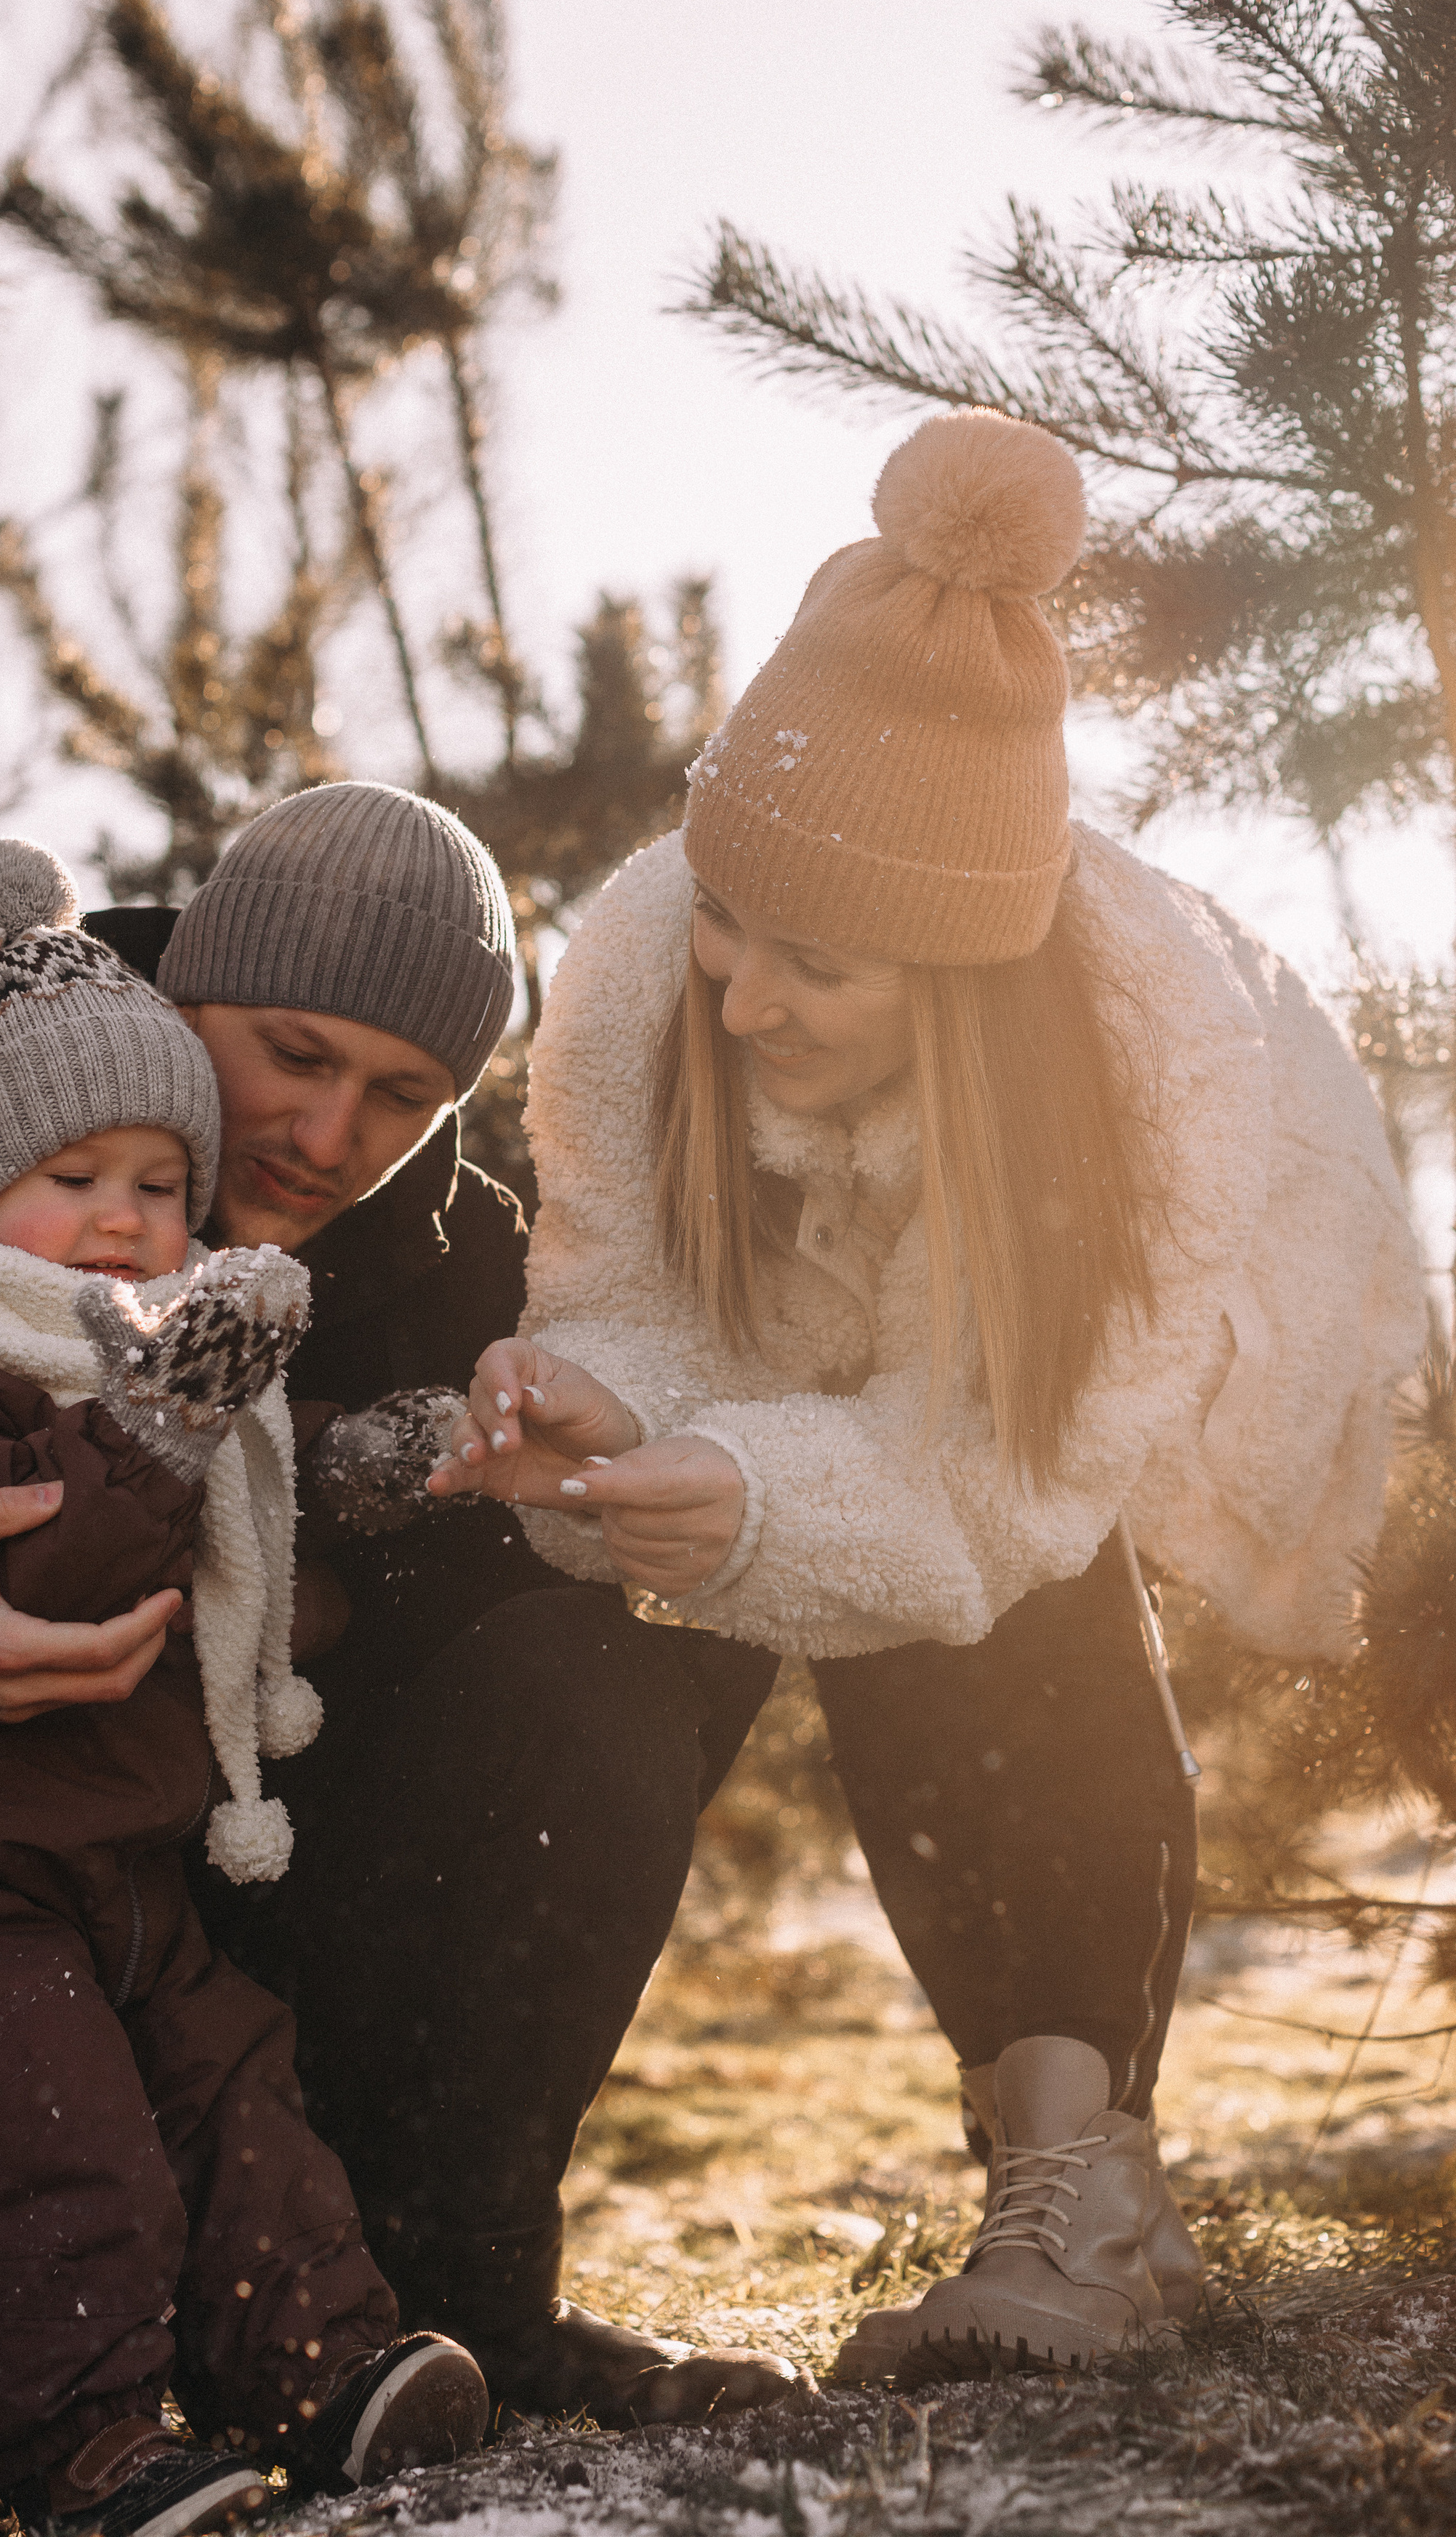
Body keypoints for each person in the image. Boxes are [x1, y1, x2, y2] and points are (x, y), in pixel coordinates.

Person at [0, 783, 793, 2537]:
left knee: (605, 1673)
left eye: (405, 1096)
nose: (326, 1132)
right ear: (180, 1006)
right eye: (288, 1055)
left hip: (255, 1903)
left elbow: (537, 1653)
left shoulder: (461, 1266)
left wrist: (464, 1534)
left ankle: (443, 2301)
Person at [430, 411, 1423, 2384]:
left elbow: (993, 1494)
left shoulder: (1148, 1088)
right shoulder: (642, 969)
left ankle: (1094, 2197)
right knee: (678, 1618)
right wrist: (602, 1418)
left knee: (1017, 1612)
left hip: (1278, 1364)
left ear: (962, 984)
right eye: (730, 917)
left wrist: (766, 1495)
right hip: (871, 1381)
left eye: (816, 964)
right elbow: (628, 1297)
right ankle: (444, 2231)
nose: (741, 993)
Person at [0, 835, 488, 2537]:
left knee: (235, 2088)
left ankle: (327, 2367)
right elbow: (45, 1565)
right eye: (78, 1181)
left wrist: (358, 1497)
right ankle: (78, 2441)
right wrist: (155, 1425)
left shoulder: (155, 1339)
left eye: (158, 1183)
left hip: (109, 1854)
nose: (129, 1218)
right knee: (38, 2150)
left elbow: (252, 1544)